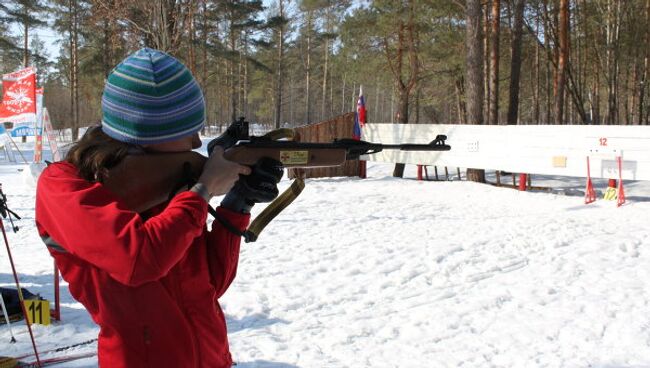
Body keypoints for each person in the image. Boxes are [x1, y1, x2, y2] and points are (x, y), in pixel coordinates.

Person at [35, 48, 282, 367]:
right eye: (186, 131)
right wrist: (203, 190)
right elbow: (139, 260)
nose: (196, 142)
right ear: (146, 134)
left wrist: (238, 201)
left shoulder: (167, 184)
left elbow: (208, 287)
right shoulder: (64, 186)